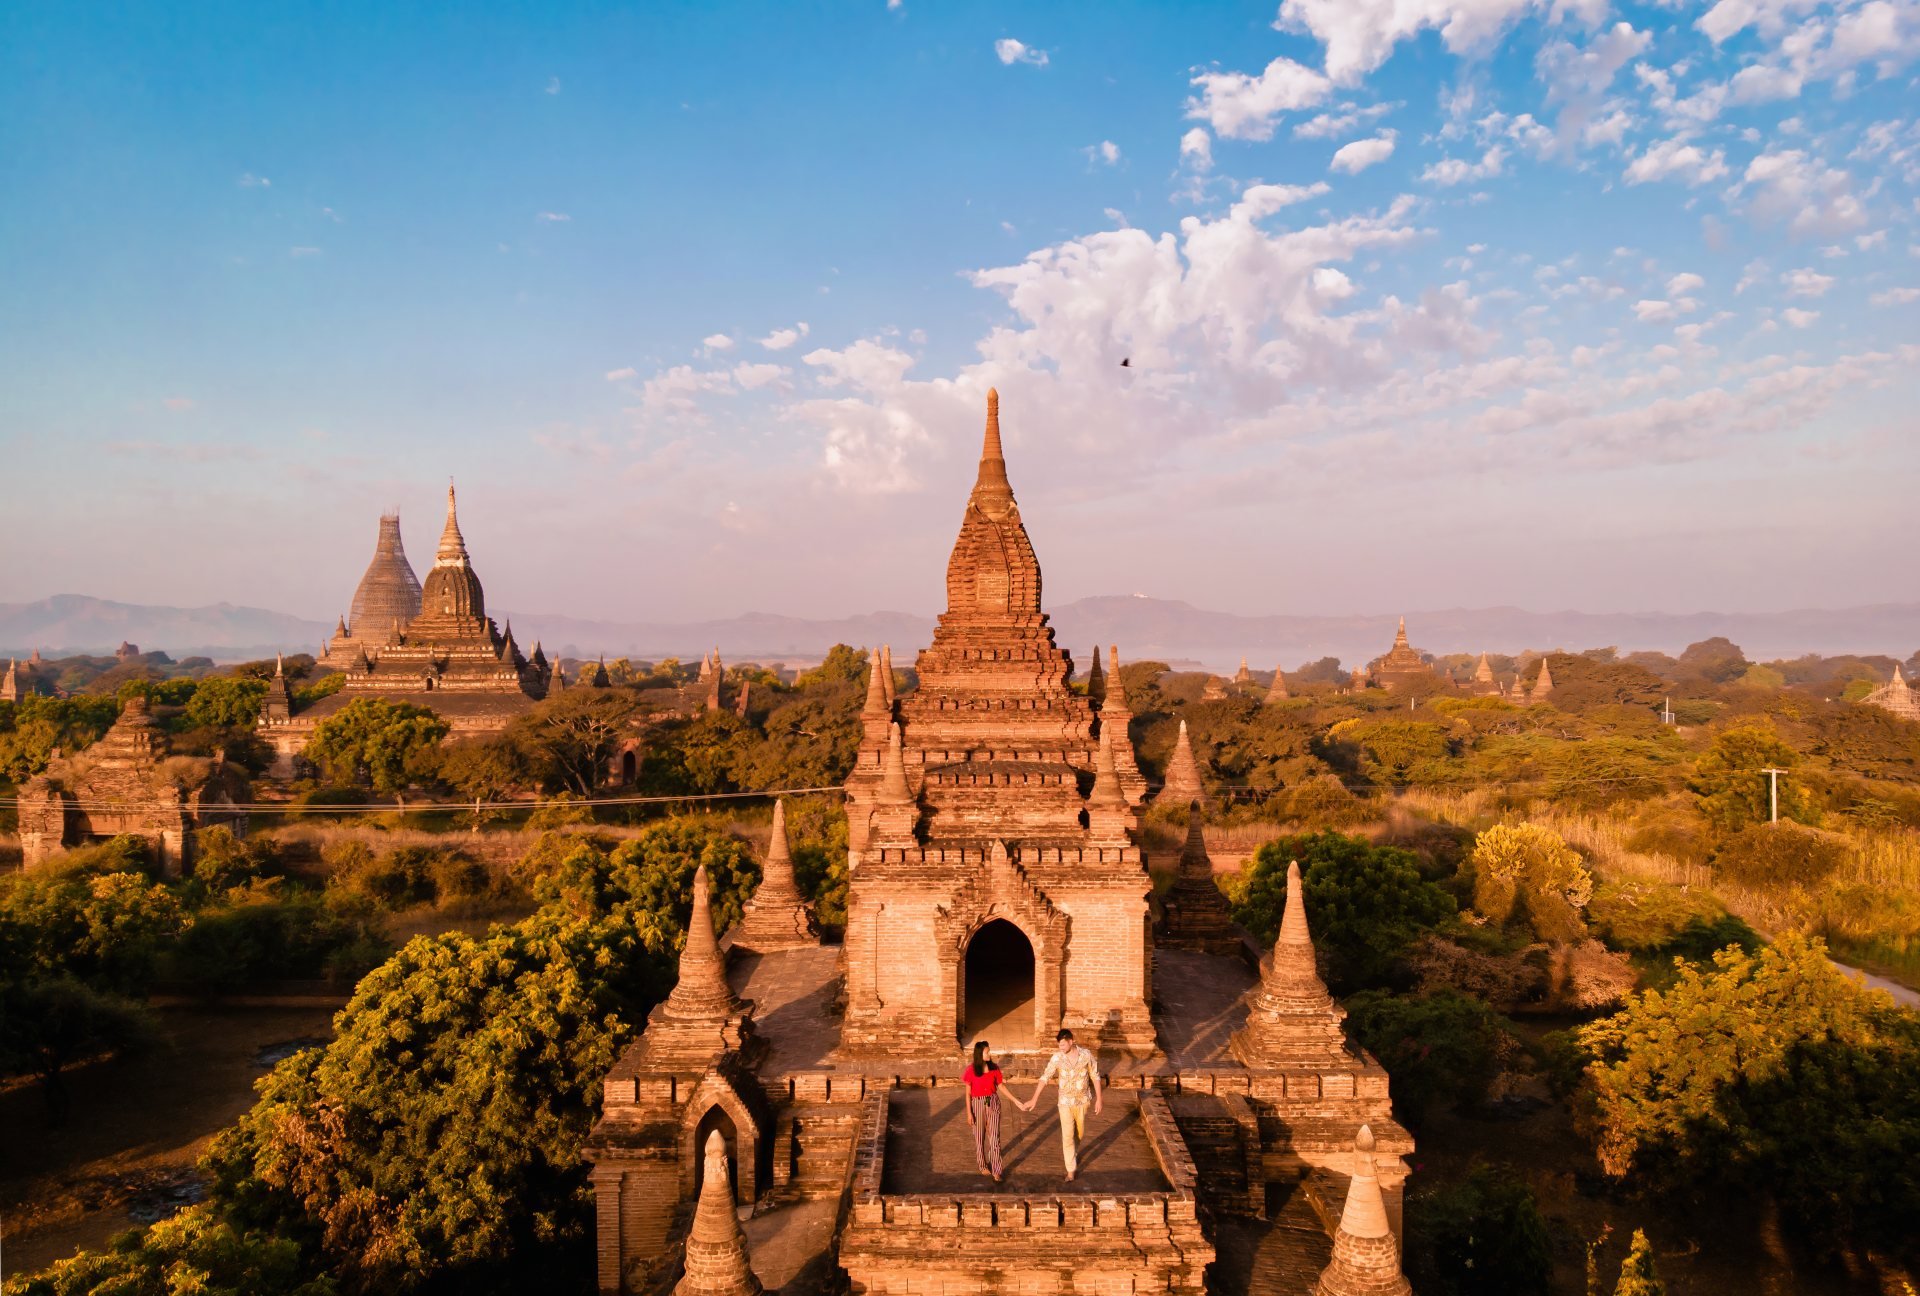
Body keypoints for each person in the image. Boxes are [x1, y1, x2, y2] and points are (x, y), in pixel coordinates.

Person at [1012, 1027, 1102, 1182]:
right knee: (1067, 1137)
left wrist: (1099, 1098)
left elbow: (1095, 1076)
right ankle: (1071, 1171)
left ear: (1071, 1041)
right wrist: (1034, 1099)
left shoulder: (1086, 1055)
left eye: (1063, 1045)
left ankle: (1072, 1154)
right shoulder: (1057, 1058)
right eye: (1059, 1045)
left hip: (1082, 1101)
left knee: (1079, 1134)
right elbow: (1045, 1077)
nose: (1061, 1048)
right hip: (1065, 1102)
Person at [961, 1039, 1006, 1181]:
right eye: (987, 1051)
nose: (990, 1053)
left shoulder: (994, 1068)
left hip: (992, 1101)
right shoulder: (971, 1070)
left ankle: (997, 1169)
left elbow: (1001, 1086)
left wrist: (1016, 1101)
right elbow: (967, 1093)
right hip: (977, 1103)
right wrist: (969, 1113)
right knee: (979, 1136)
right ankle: (982, 1165)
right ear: (980, 1054)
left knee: (994, 1138)